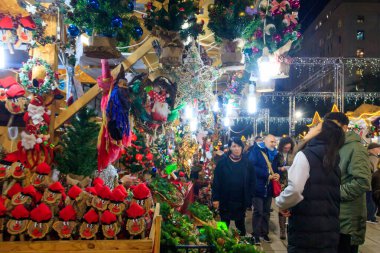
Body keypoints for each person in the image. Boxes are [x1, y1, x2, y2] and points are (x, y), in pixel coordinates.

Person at [275, 120, 345, 253]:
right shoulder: (333, 156)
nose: (311, 128)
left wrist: (281, 202)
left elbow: (295, 190)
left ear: (320, 133)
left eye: (316, 127)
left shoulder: (305, 155)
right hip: (329, 229)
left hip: (306, 231)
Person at [324, 112, 372, 253]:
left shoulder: (355, 148)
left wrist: (335, 193)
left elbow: (362, 181)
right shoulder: (335, 146)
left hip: (347, 221)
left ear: (345, 127)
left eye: (333, 126)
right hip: (332, 216)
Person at [212, 137, 255, 236]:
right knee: (223, 227)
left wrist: (250, 197)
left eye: (239, 146)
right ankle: (221, 244)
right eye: (234, 146)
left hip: (240, 200)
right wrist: (215, 198)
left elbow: (252, 182)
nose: (237, 149)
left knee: (240, 227)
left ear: (242, 147)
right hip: (225, 200)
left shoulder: (247, 163)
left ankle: (242, 245)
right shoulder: (222, 163)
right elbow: (216, 181)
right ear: (230, 148)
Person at [247, 134, 280, 244]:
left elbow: (276, 168)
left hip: (269, 188)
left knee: (266, 212)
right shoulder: (256, 151)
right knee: (258, 211)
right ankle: (256, 235)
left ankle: (264, 233)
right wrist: (267, 175)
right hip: (258, 187)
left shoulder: (275, 153)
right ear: (265, 141)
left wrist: (277, 174)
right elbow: (252, 167)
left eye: (275, 142)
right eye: (272, 142)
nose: (274, 144)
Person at [276, 137, 295, 240]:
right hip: (281, 183)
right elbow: (273, 167)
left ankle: (291, 228)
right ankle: (282, 230)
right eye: (285, 148)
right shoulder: (277, 154)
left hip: (292, 182)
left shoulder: (294, 154)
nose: (287, 149)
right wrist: (280, 169)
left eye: (289, 148)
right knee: (282, 206)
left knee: (292, 206)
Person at [367, 143, 380, 223]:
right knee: (372, 201)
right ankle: (370, 217)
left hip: (368, 183)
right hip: (372, 184)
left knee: (369, 200)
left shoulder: (368, 157)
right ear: (373, 149)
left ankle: (369, 216)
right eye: (378, 147)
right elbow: (376, 171)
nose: (379, 149)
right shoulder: (373, 158)